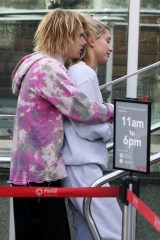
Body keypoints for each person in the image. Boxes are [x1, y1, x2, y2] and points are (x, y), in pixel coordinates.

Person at [9, 9, 115, 240]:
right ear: (64, 35)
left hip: (28, 172)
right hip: (40, 174)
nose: (83, 42)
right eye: (79, 35)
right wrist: (114, 111)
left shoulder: (36, 65)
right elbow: (82, 109)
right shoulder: (49, 69)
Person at [62, 19, 122, 240]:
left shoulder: (76, 72)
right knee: (116, 232)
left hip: (76, 166)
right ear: (90, 41)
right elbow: (86, 127)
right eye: (107, 40)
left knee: (89, 232)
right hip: (84, 166)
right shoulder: (84, 74)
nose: (110, 47)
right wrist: (115, 130)